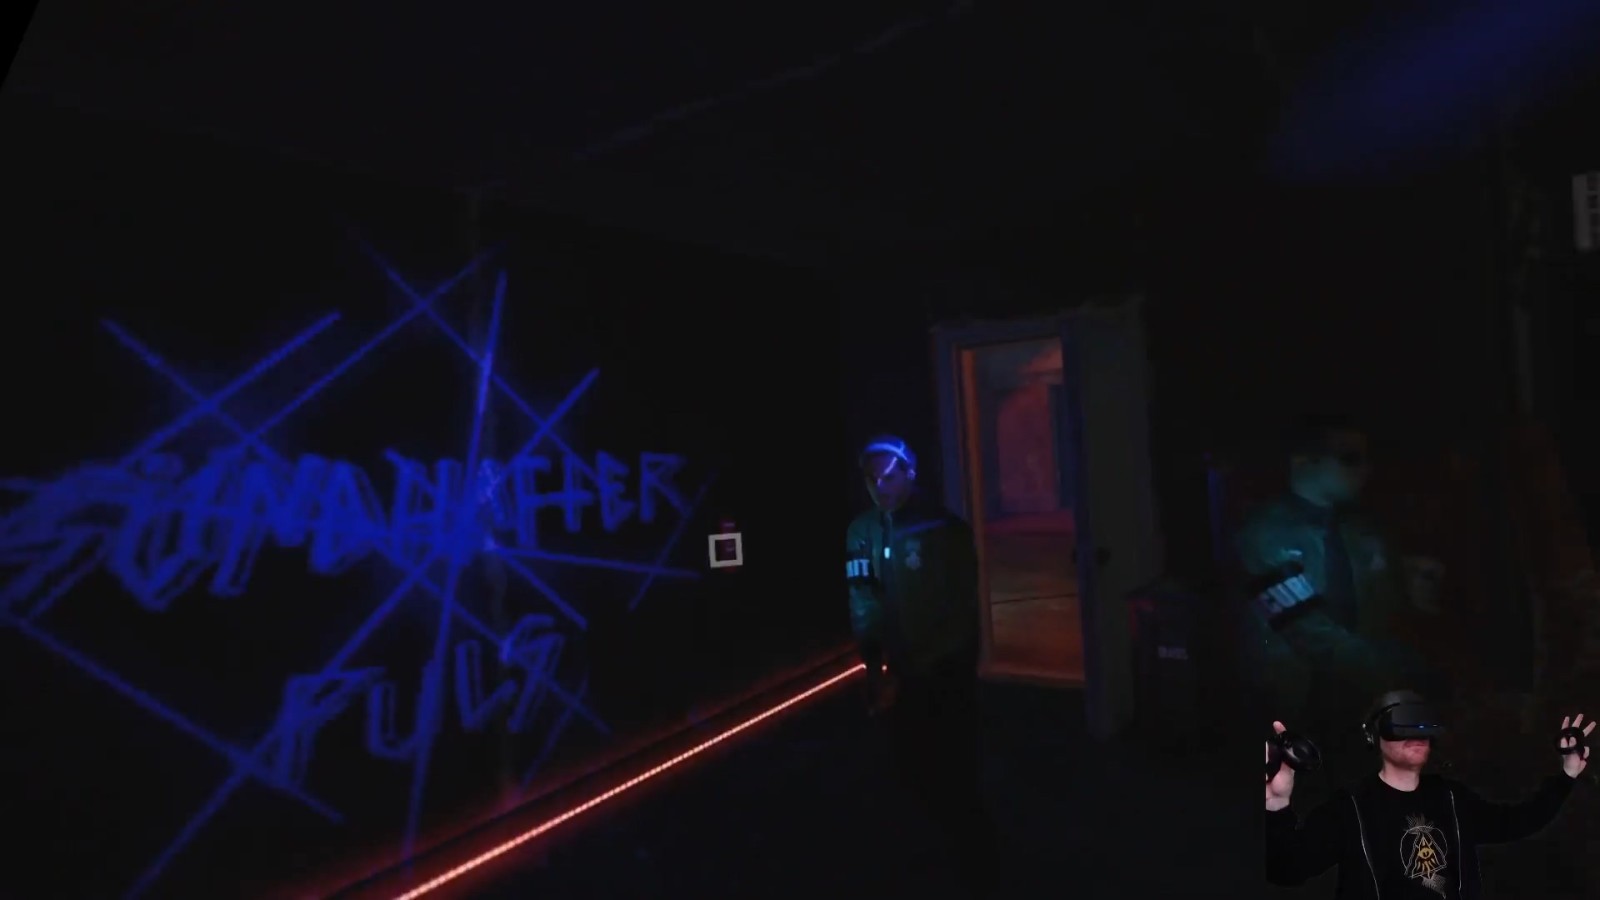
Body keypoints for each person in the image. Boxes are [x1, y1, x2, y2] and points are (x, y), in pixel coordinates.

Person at [1236, 417, 1441, 766]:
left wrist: (1416, 589)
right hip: (1296, 703)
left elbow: (1392, 607)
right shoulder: (1267, 531)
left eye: (1365, 458)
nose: (1365, 470)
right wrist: (1399, 674)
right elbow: (1306, 628)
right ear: (1304, 461)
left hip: (1361, 707)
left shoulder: (1363, 531)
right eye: (1349, 458)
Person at [1264, 690, 1592, 898]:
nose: (1416, 733)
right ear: (1375, 736)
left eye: (1423, 724)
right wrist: (1276, 804)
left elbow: (1519, 821)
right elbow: (1288, 869)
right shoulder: (1349, 807)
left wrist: (1567, 774)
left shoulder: (1451, 798)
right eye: (1402, 723)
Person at [844, 435, 992, 889]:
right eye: (871, 478)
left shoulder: (945, 530)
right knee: (907, 766)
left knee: (954, 764)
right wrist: (875, 663)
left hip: (943, 669)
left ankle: (973, 864)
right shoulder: (862, 531)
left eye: (889, 475)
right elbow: (863, 597)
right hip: (896, 673)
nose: (879, 485)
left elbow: (960, 609)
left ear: (910, 473)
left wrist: (916, 667)